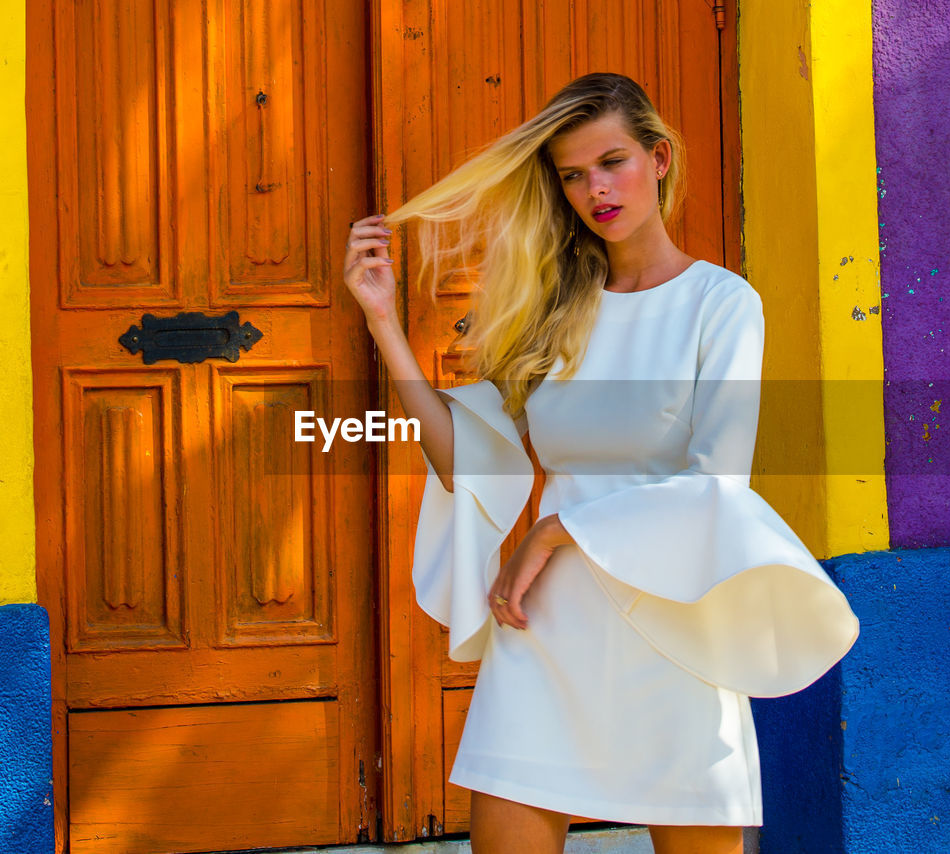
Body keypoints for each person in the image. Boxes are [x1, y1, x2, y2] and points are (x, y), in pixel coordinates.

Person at [341, 73, 859, 854]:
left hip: (679, 625)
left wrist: (555, 531)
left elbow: (716, 485)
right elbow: (470, 460)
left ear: (659, 158)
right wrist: (382, 322)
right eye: (572, 175)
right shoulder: (554, 311)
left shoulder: (722, 305)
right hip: (547, 628)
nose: (594, 190)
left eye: (611, 162)